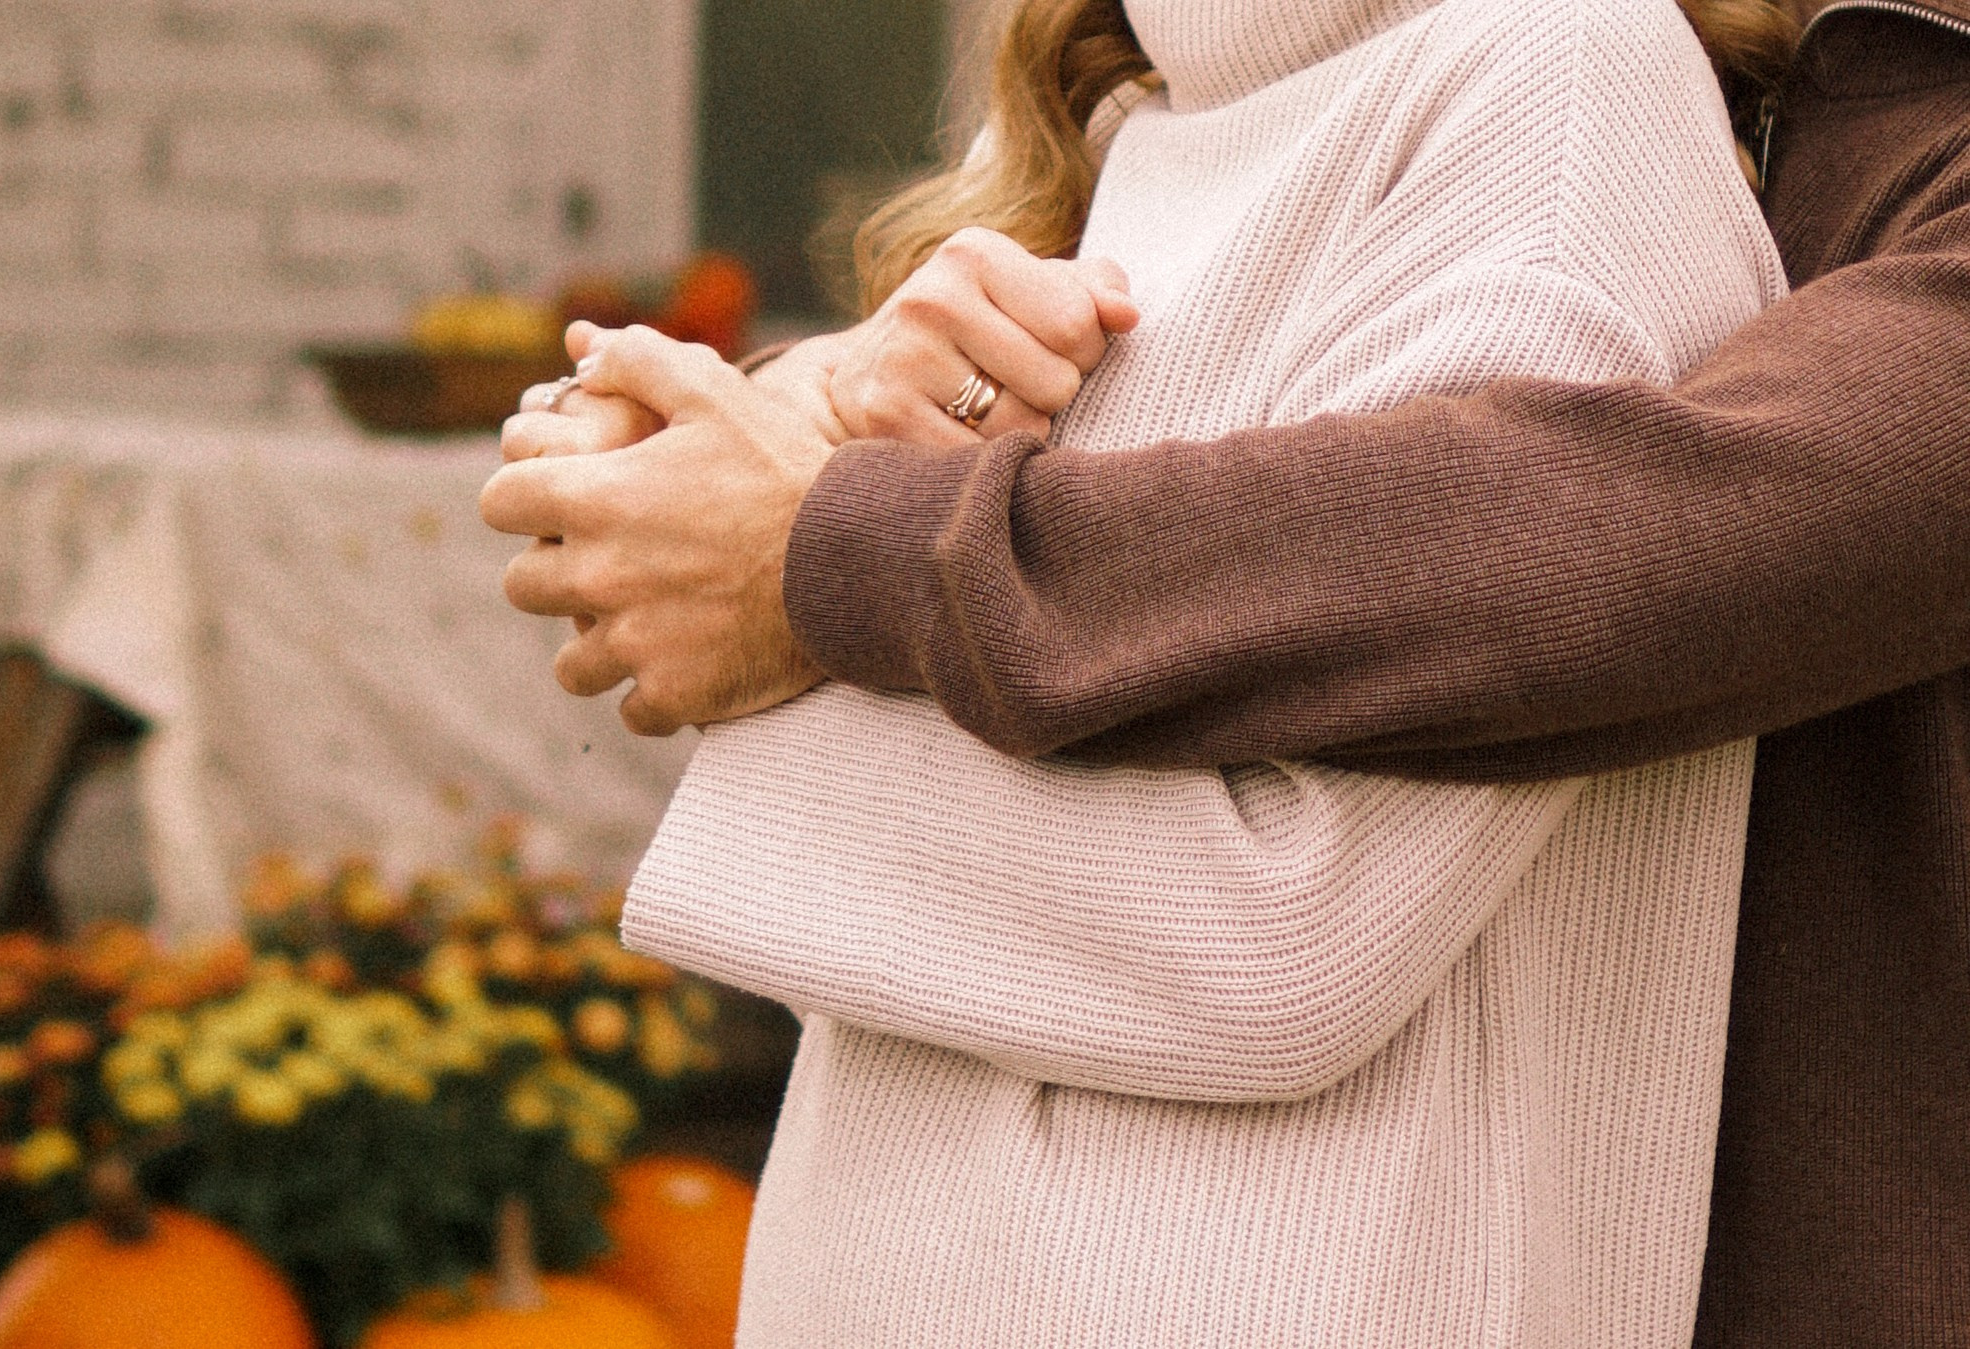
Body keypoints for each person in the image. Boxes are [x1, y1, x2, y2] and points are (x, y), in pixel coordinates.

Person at [482, 0, 1970, 1338]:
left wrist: (803, 576)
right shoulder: (1152, 113)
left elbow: (1573, 572)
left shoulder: (1559, 85)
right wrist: (783, 426)